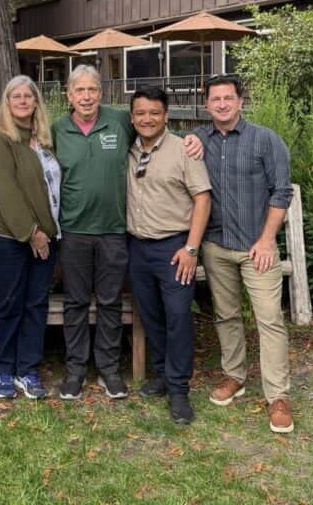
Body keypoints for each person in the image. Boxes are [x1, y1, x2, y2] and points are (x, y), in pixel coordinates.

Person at [52, 65, 204, 401]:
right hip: (74, 231)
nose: (86, 96)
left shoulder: (120, 121)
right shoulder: (57, 129)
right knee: (75, 302)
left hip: (115, 232)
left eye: (92, 90)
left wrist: (197, 137)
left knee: (109, 302)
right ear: (69, 95)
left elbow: (156, 129)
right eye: (80, 91)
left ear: (101, 93)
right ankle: (76, 369)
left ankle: (108, 369)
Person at [194, 73, 295, 434]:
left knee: (269, 318)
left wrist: (268, 239)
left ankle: (278, 396)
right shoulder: (197, 141)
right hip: (216, 246)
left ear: (240, 101)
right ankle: (234, 376)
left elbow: (281, 192)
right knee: (226, 315)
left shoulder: (265, 140)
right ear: (206, 104)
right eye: (214, 99)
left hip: (257, 248)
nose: (221, 104)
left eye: (227, 98)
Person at [126, 86, 211, 424]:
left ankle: (179, 390)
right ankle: (162, 374)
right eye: (141, 113)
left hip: (174, 248)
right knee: (151, 316)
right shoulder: (128, 149)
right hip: (137, 247)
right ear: (132, 117)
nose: (147, 119)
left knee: (177, 316)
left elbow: (202, 198)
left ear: (166, 115)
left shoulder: (183, 150)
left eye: (154, 113)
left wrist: (191, 248)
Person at [0, 75, 60, 400]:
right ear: (7, 104)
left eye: (29, 96)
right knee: (8, 303)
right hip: (6, 237)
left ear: (36, 102)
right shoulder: (0, 140)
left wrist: (45, 233)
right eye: (16, 96)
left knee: (35, 305)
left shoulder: (45, 140)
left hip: (45, 238)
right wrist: (31, 233)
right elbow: (5, 191)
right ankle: (3, 370)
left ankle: (28, 370)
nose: (23, 101)